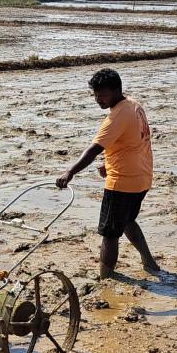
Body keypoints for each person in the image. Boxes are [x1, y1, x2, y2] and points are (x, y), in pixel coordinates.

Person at [55, 68, 159, 279]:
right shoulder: (133, 105)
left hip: (123, 182)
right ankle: (149, 261)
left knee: (110, 233)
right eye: (95, 95)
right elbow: (130, 142)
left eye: (102, 95)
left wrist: (70, 172)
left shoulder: (118, 115)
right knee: (127, 220)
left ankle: (105, 277)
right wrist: (108, 164)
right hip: (142, 177)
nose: (97, 100)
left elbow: (94, 149)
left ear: (116, 91)